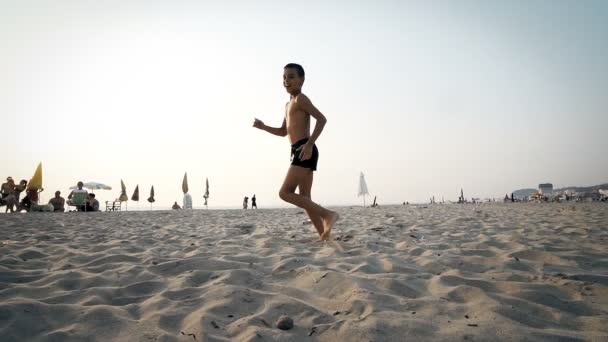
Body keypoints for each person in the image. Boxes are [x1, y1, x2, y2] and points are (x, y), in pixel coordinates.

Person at [253, 63, 339, 241]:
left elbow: (322, 119)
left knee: (284, 193)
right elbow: (284, 132)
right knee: (305, 197)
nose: (286, 80)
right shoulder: (287, 105)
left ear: (302, 80)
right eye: (284, 77)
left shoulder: (301, 99)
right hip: (298, 149)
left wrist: (309, 144)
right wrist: (263, 127)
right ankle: (324, 237)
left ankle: (328, 215)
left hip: (304, 149)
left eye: (291, 77)